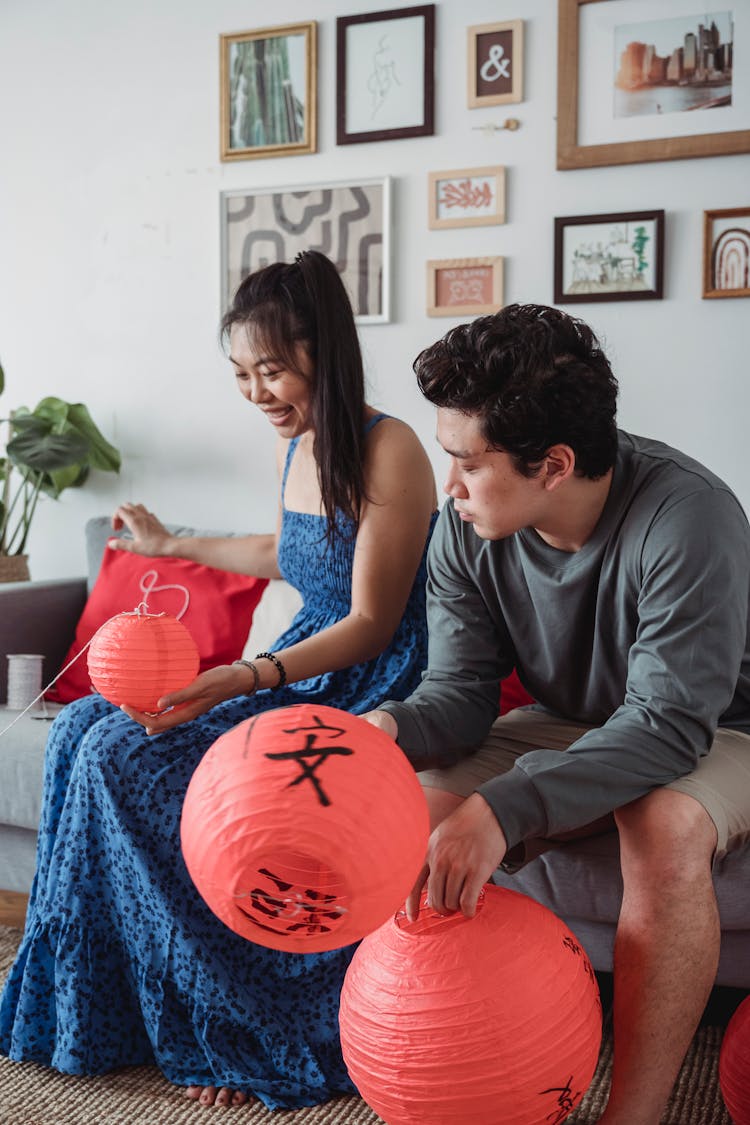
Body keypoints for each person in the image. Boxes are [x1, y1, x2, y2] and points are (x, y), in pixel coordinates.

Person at [0, 250, 437, 1110]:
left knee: (128, 754)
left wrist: (241, 674)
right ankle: (99, 1009)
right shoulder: (303, 444)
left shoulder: (394, 449)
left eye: (272, 368)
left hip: (362, 681)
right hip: (294, 663)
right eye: (241, 373)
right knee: (86, 729)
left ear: (326, 351)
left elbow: (372, 622)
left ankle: (235, 1018)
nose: (257, 391)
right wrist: (170, 546)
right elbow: (287, 552)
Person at [365, 303, 750, 1125]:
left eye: (468, 462)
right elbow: (460, 696)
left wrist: (508, 806)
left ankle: (633, 1114)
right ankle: (458, 1080)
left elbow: (670, 725)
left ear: (554, 463)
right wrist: (385, 732)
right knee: (413, 811)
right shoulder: (466, 527)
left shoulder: (690, 518)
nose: (449, 486)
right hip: (574, 716)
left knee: (664, 823)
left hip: (717, 724)